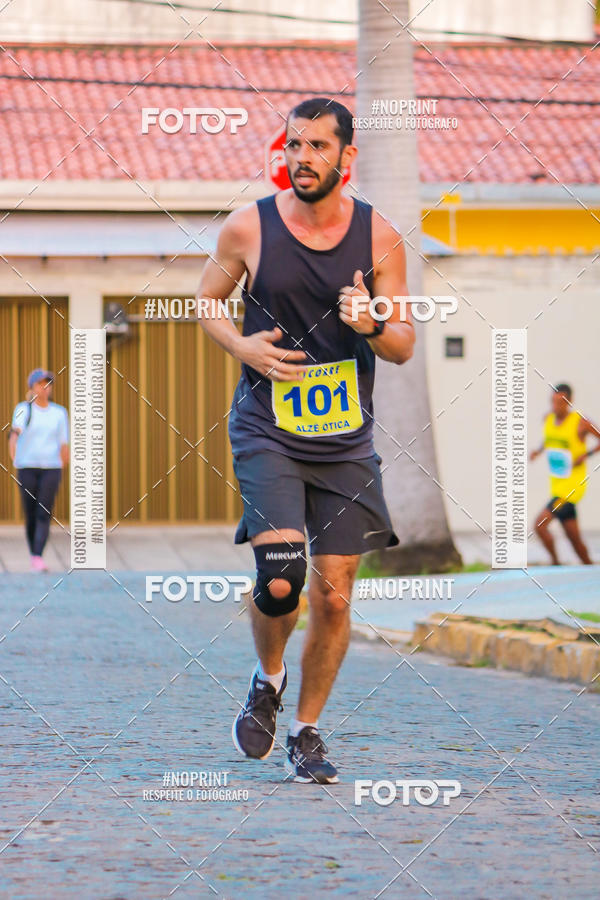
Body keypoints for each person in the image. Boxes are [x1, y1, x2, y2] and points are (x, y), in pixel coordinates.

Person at [196, 97, 415, 783]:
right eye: (295, 145)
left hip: (345, 438)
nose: (303, 158)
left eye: (319, 146)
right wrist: (243, 348)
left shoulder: (380, 238)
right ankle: (267, 679)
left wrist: (371, 320)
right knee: (283, 577)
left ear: (347, 158)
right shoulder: (248, 228)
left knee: (335, 595)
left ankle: (306, 730)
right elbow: (206, 300)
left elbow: (404, 343)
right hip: (268, 427)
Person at [530, 383, 600, 565]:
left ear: (569, 401)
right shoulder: (548, 419)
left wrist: (586, 455)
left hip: (572, 488)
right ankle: (590, 567)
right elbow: (549, 440)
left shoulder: (581, 422)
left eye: (560, 403)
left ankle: (555, 563)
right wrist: (538, 451)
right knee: (574, 538)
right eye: (553, 402)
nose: (556, 407)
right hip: (557, 485)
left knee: (540, 525)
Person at [8, 369, 69, 572]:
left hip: (51, 468)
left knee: (44, 511)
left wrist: (64, 465)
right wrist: (14, 457)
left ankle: (37, 555)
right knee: (31, 512)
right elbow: (14, 434)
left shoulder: (59, 413)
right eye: (40, 384)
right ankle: (34, 551)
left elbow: (63, 444)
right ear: (32, 388)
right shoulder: (23, 409)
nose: (44, 388)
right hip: (27, 467)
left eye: (48, 384)